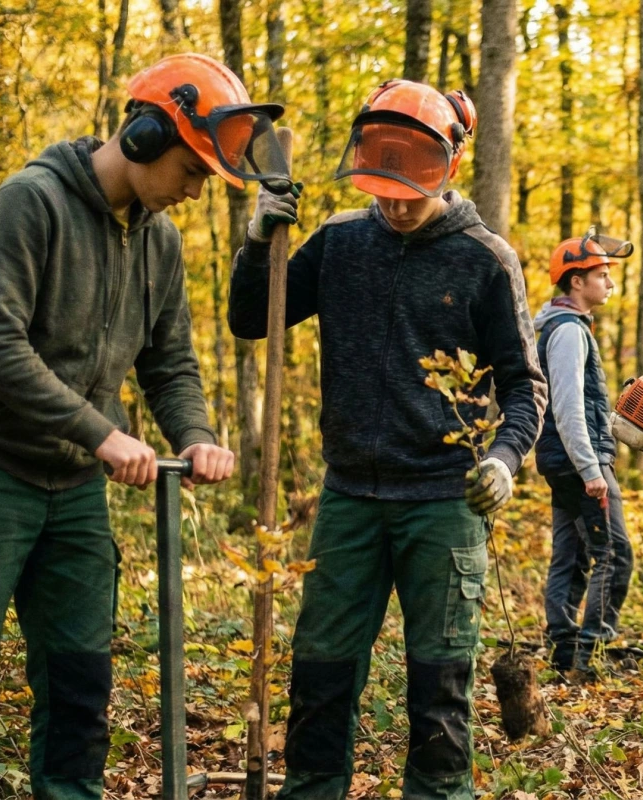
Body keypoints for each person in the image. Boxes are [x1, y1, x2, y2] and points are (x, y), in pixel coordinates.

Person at [0, 53, 254, 799]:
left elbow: (170, 366)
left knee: (79, 685)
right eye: (192, 170)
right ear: (144, 135)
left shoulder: (158, 242)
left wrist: (192, 434)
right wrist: (101, 432)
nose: (196, 191)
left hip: (72, 491)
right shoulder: (29, 203)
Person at [229, 80, 546, 799]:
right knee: (320, 671)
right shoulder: (342, 240)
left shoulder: (483, 258)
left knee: (439, 683)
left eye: (411, 192)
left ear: (448, 171)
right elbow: (253, 317)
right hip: (348, 494)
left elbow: (525, 384)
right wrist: (260, 240)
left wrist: (503, 457)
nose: (396, 205)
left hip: (443, 499)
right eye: (384, 190)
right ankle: (313, 789)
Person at [536, 230, 635, 680]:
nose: (610, 283)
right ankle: (588, 658)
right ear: (576, 282)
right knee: (613, 555)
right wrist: (591, 469)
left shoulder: (560, 327)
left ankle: (563, 653)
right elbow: (568, 405)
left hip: (563, 460)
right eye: (602, 274)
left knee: (571, 554)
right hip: (579, 461)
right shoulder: (569, 332)